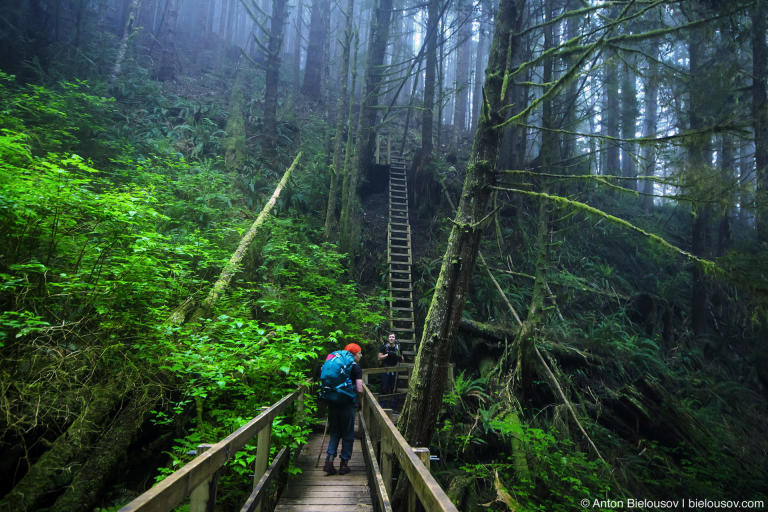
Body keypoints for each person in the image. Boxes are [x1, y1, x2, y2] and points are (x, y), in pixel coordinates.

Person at [323, 343, 363, 475]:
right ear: (354, 354)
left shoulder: (336, 362)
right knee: (348, 434)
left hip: (332, 402)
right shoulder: (355, 368)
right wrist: (359, 401)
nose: (361, 355)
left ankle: (329, 461)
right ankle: (343, 464)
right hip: (347, 404)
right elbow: (359, 388)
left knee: (334, 432)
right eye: (359, 353)